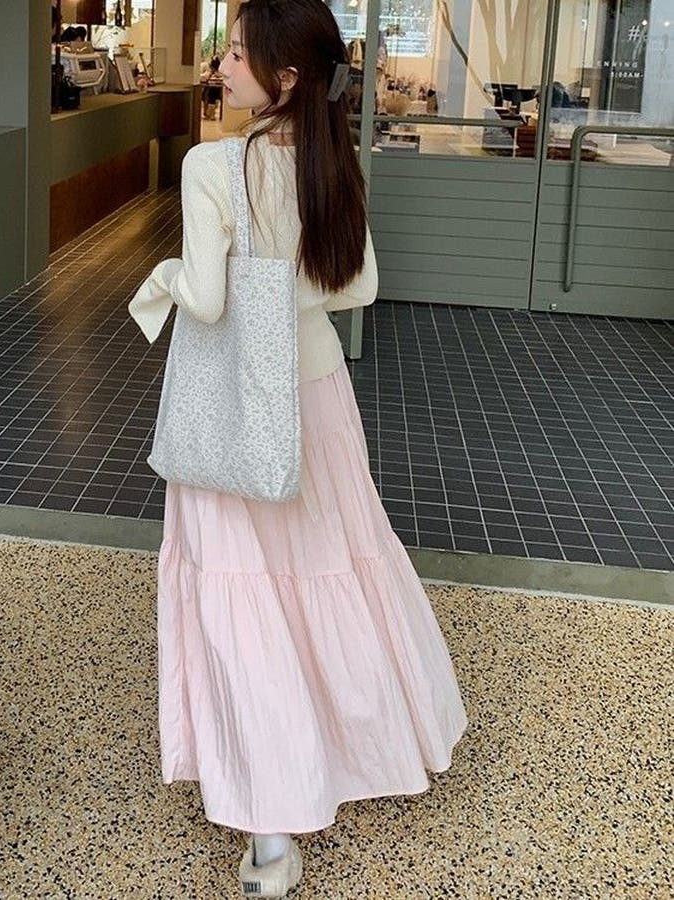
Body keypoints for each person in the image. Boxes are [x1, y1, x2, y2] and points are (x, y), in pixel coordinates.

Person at [128, 0, 468, 895]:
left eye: (239, 55)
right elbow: (359, 286)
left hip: (235, 410)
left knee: (241, 595)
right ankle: (365, 745)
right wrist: (282, 288)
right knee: (331, 569)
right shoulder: (330, 161)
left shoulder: (212, 164)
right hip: (317, 399)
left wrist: (162, 278)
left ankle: (273, 837)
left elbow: (205, 300)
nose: (221, 66)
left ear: (285, 76)